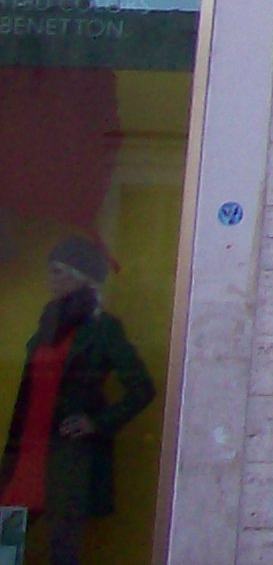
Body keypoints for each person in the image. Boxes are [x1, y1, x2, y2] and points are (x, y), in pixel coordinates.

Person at [1, 236, 155, 565]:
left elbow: (141, 388)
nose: (50, 280)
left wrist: (95, 423)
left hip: (67, 460)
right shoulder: (49, 321)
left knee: (63, 549)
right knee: (5, 544)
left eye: (57, 272)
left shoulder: (103, 329)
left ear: (77, 276)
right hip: (27, 451)